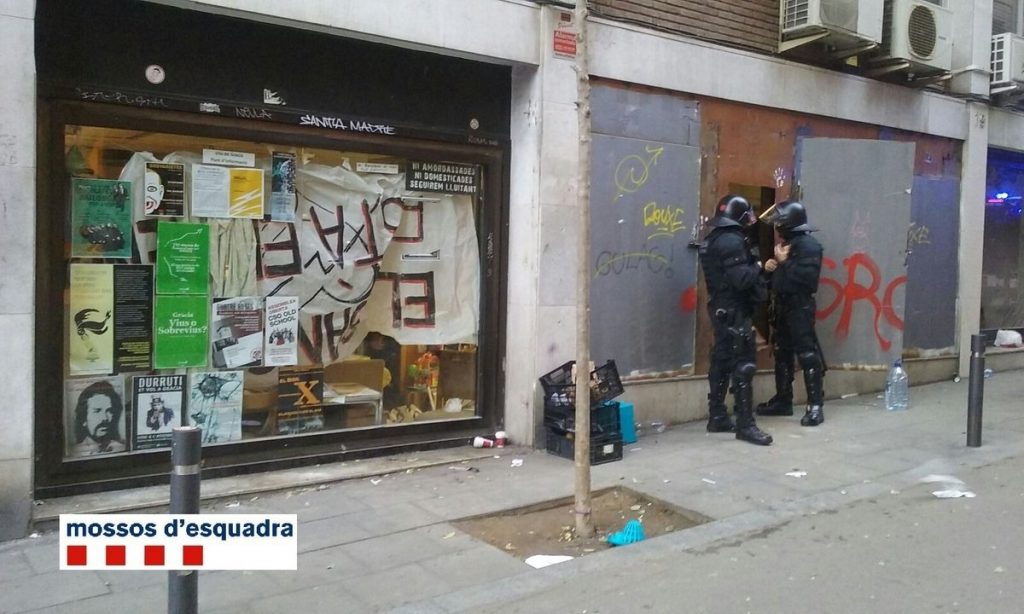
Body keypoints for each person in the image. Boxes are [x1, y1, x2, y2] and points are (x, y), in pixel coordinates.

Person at [698, 194, 773, 446]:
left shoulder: (713, 239)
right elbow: (741, 279)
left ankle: (717, 416)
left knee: (721, 361)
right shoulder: (731, 241)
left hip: (721, 308)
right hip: (734, 310)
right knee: (744, 365)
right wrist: (759, 265)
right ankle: (745, 424)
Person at [757, 200, 826, 426]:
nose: (777, 229)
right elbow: (779, 281)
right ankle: (783, 399)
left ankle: (815, 405)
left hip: (799, 307)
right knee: (782, 353)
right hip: (783, 306)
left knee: (807, 354)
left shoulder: (809, 246)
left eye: (780, 224)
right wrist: (770, 269)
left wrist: (784, 263)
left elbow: (807, 282)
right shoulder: (788, 244)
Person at [70, 381, 126, 456]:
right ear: (83, 418)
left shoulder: (121, 448)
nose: (105, 418)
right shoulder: (75, 453)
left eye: (109, 411)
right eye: (97, 411)